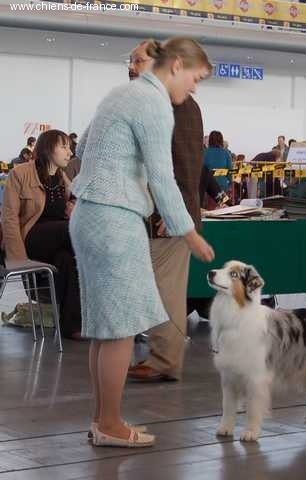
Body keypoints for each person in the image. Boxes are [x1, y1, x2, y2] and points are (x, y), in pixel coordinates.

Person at [69, 37, 214, 448]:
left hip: (90, 213)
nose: (195, 87)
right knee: (120, 329)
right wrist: (189, 232)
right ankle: (111, 423)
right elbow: (163, 178)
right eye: (196, 77)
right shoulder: (154, 103)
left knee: (105, 329)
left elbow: (82, 147)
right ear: (177, 65)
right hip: (115, 217)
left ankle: (103, 420)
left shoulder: (122, 93)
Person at [126, 39, 209, 382]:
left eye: (138, 61)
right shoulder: (163, 102)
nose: (132, 68)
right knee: (161, 290)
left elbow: (182, 166)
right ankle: (161, 358)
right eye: (131, 61)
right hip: (159, 214)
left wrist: (171, 212)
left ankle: (164, 361)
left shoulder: (177, 105)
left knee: (166, 291)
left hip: (167, 218)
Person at [2, 130, 82, 339]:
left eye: (69, 147)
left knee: (67, 260)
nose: (69, 151)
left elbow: (75, 202)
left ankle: (71, 326)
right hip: (31, 238)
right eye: (63, 146)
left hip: (58, 240)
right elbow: (9, 218)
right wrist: (17, 259)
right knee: (72, 230)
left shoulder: (62, 178)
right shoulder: (20, 173)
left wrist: (74, 204)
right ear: (48, 149)